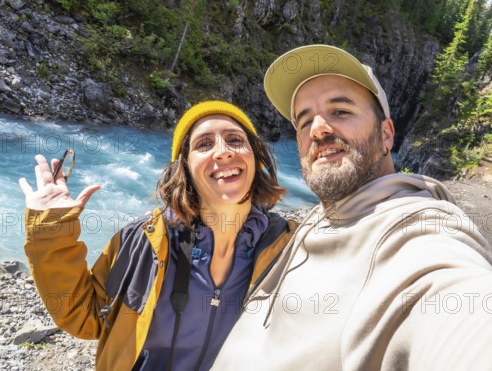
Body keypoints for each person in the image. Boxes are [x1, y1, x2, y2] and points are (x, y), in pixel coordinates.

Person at [212, 45, 492, 370]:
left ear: (385, 135)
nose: (318, 129)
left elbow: (453, 303)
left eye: (341, 111)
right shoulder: (324, 214)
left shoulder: (416, 227)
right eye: (303, 121)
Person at [19, 100, 296, 371]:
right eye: (204, 144)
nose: (222, 152)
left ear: (256, 157)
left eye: (235, 140)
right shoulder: (144, 240)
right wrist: (51, 230)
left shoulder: (285, 245)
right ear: (184, 168)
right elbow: (86, 318)